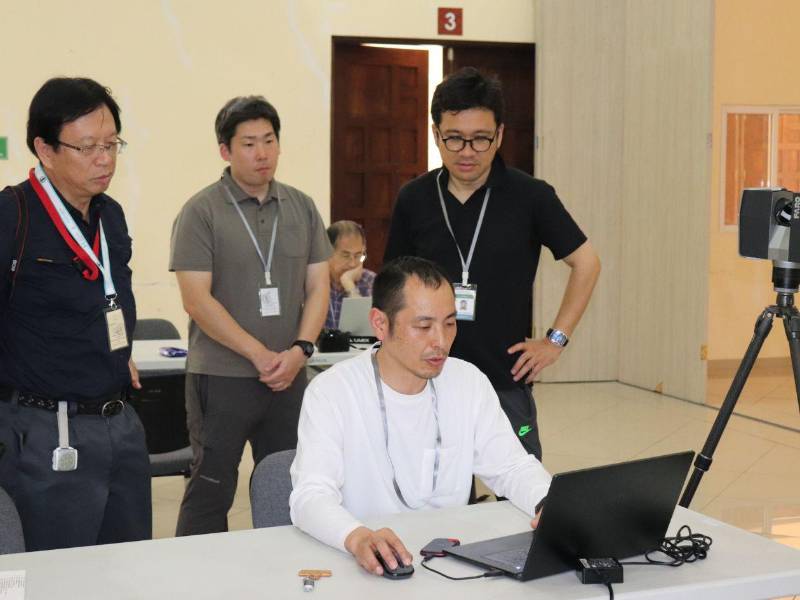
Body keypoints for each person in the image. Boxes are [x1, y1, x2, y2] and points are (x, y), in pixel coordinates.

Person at [384, 68, 601, 460]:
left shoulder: (530, 196)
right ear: (436, 134)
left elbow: (586, 263)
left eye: (481, 139)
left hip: (505, 379)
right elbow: (392, 287)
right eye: (454, 138)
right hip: (427, 378)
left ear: (499, 135)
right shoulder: (414, 198)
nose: (467, 152)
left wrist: (555, 341)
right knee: (431, 500)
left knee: (523, 496)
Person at [290, 257, 551, 575]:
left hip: (451, 566)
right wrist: (357, 537)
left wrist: (549, 504)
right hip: (366, 570)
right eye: (423, 326)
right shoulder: (333, 391)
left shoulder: (467, 381)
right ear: (380, 324)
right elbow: (310, 496)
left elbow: (512, 467)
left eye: (450, 323)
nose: (440, 342)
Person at [0, 77, 150, 550]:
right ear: (45, 149)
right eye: (87, 147)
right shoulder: (12, 216)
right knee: (53, 577)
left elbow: (112, 297)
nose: (104, 159)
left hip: (119, 421)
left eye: (111, 144)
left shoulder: (111, 215)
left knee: (126, 569)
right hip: (45, 431)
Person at [169, 95, 330, 536]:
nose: (262, 154)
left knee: (292, 484)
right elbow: (196, 300)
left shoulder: (302, 206)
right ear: (225, 150)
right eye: (248, 144)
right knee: (211, 488)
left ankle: (287, 574)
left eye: (269, 141)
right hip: (221, 377)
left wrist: (300, 350)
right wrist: (259, 354)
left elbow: (319, 286)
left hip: (289, 375)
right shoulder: (200, 212)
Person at [325, 220, 376, 330]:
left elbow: (367, 330)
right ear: (328, 252)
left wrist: (350, 286)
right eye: (345, 255)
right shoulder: (315, 281)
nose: (353, 263)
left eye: (358, 255)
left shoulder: (371, 281)